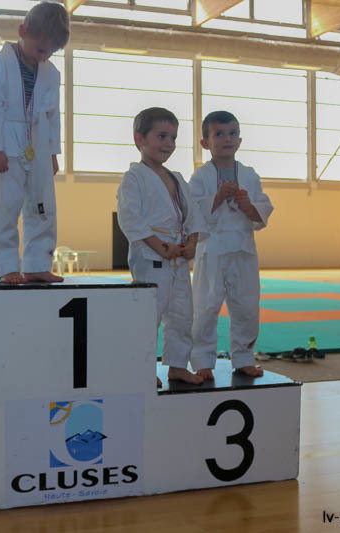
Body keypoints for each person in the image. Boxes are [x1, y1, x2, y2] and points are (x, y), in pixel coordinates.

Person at [0, 1, 70, 284]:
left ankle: (37, 264)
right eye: (40, 49)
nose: (44, 56)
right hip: (6, 141)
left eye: (50, 52)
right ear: (22, 31)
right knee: (5, 207)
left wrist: (53, 153)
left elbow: (53, 116)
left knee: (43, 206)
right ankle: (6, 266)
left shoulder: (51, 73)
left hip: (39, 142)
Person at [117, 108, 203, 388]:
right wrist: (160, 245)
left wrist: (192, 242)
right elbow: (130, 218)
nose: (169, 143)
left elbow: (193, 216)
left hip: (178, 257)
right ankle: (141, 369)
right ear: (139, 139)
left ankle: (177, 366)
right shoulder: (134, 178)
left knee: (182, 314)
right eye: (161, 136)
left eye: (173, 137)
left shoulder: (177, 178)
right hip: (151, 256)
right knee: (148, 315)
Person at [189, 110, 273, 380]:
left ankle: (244, 357)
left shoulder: (249, 175)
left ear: (239, 140)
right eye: (219, 134)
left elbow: (263, 209)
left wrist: (249, 207)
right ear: (205, 142)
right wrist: (217, 197)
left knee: (247, 306)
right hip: (211, 250)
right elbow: (192, 212)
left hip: (243, 249)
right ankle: (202, 361)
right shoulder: (200, 176)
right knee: (205, 307)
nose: (227, 138)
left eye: (232, 133)